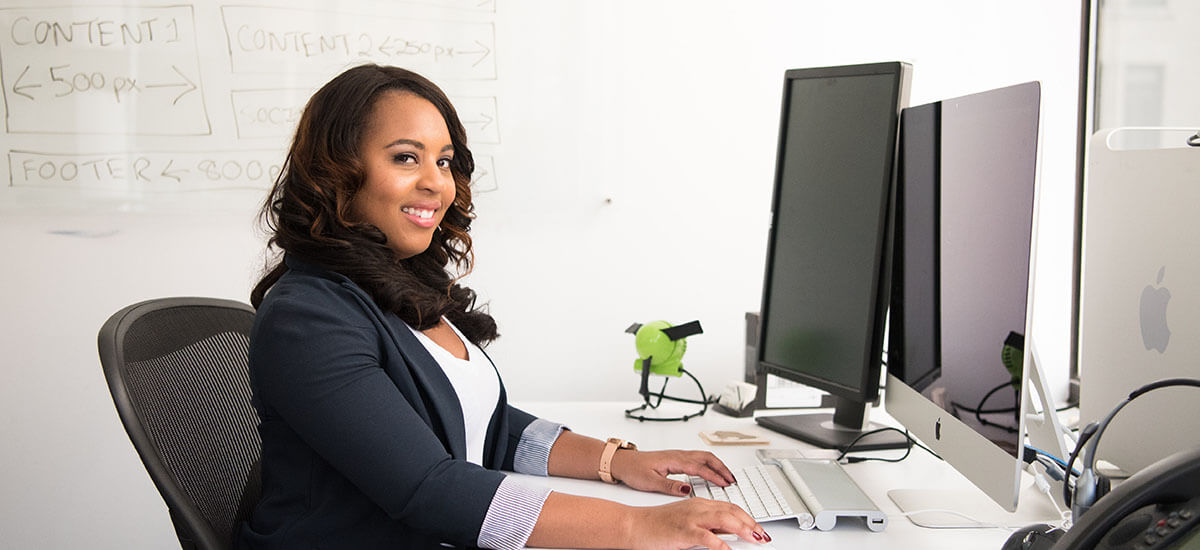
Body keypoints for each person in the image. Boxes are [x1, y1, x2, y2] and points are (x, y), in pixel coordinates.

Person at [238, 63, 770, 550]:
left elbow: (489, 427)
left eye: (444, 161)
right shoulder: (308, 317)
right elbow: (429, 488)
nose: (435, 182)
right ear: (337, 171)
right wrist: (636, 525)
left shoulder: (399, 287)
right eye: (405, 157)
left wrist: (619, 463)